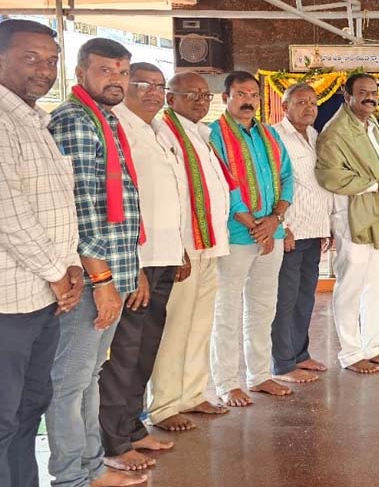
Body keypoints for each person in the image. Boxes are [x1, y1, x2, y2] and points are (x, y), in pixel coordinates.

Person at [47, 37, 146, 486]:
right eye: (105, 70)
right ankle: (72, 476)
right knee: (70, 383)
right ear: (80, 73)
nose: (116, 80)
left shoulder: (105, 120)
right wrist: (103, 280)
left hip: (113, 271)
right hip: (91, 279)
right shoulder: (74, 121)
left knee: (88, 377)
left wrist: (128, 270)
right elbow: (82, 206)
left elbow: (120, 204)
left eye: (122, 72)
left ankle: (90, 468)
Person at [0, 19, 82, 487]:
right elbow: (9, 213)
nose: (45, 70)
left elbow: (57, 207)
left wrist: (69, 265)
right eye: (31, 58)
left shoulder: (36, 121)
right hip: (9, 301)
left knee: (30, 407)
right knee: (3, 416)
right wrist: (58, 270)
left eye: (51, 60)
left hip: (44, 296)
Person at [100, 63, 187, 472]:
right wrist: (133, 265)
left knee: (146, 349)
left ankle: (133, 427)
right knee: (124, 353)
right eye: (144, 84)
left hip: (164, 256)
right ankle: (113, 443)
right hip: (136, 261)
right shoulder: (118, 128)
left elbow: (169, 195)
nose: (154, 92)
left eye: (159, 85)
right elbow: (118, 201)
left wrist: (179, 249)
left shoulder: (159, 129)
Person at [148, 72, 233, 431]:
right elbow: (168, 194)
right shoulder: (164, 133)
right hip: (183, 247)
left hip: (209, 244)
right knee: (176, 326)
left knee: (200, 325)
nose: (201, 100)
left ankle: (192, 394)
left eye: (204, 95)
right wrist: (178, 247)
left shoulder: (201, 134)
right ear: (171, 98)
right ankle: (164, 405)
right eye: (192, 94)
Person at [209, 71, 295, 406]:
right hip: (235, 235)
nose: (249, 101)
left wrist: (274, 220)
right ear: (225, 98)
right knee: (227, 310)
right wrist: (254, 224)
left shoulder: (269, 134)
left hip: (271, 232)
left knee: (263, 307)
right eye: (241, 94)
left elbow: (287, 177)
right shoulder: (214, 134)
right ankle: (226, 382)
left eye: (254, 95)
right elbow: (222, 183)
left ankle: (259, 375)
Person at [315, 73, 379, 374]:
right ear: (347, 96)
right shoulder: (336, 132)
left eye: (373, 92)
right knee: (351, 285)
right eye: (362, 92)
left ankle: (371, 346)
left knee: (378, 284)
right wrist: (377, 185)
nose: (370, 97)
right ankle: (351, 353)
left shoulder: (373, 126)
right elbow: (330, 175)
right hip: (352, 216)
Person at [271, 83, 333, 383]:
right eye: (301, 102)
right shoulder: (274, 136)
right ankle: (282, 364)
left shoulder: (315, 136)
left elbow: (320, 183)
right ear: (285, 107)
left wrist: (328, 225)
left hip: (315, 229)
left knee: (306, 297)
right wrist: (281, 227)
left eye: (313, 102)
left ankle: (300, 354)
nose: (309, 107)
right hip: (291, 231)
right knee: (285, 299)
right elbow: (273, 183)